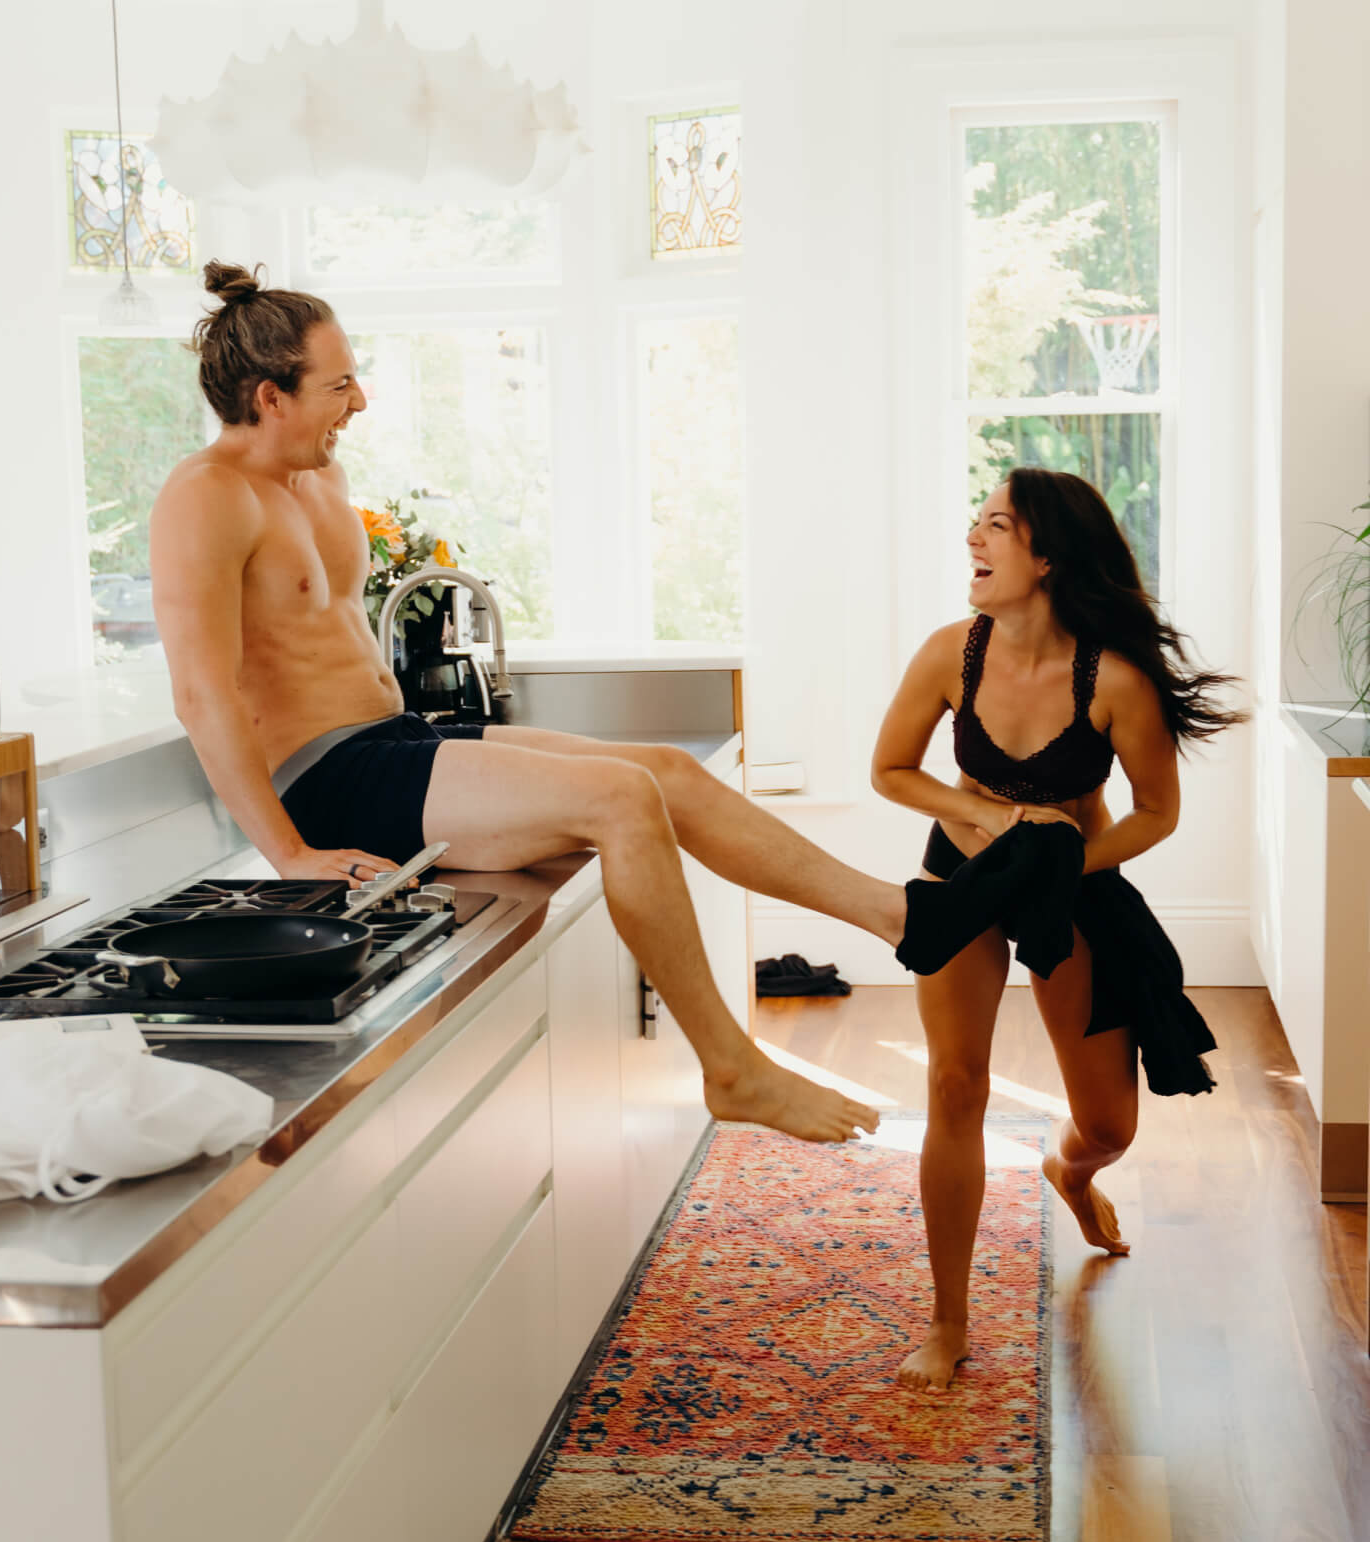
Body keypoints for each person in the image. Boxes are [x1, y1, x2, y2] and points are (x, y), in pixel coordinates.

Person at [151, 260, 907, 1146]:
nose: (360, 401)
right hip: (327, 780)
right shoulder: (205, 498)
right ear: (271, 396)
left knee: (664, 769)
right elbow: (201, 696)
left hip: (393, 741)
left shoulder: (321, 482)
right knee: (621, 799)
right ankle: (733, 1070)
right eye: (341, 382)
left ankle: (896, 915)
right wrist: (289, 853)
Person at [871, 467, 1242, 1392]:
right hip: (962, 873)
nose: (973, 539)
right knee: (957, 1086)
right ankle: (949, 1321)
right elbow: (890, 771)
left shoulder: (1112, 679)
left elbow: (1157, 810)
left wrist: (1064, 861)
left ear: (1046, 557)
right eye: (976, 522)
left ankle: (1071, 1174)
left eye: (995, 525)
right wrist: (1002, 829)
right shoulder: (948, 654)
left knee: (1110, 1124)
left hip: (1075, 887)